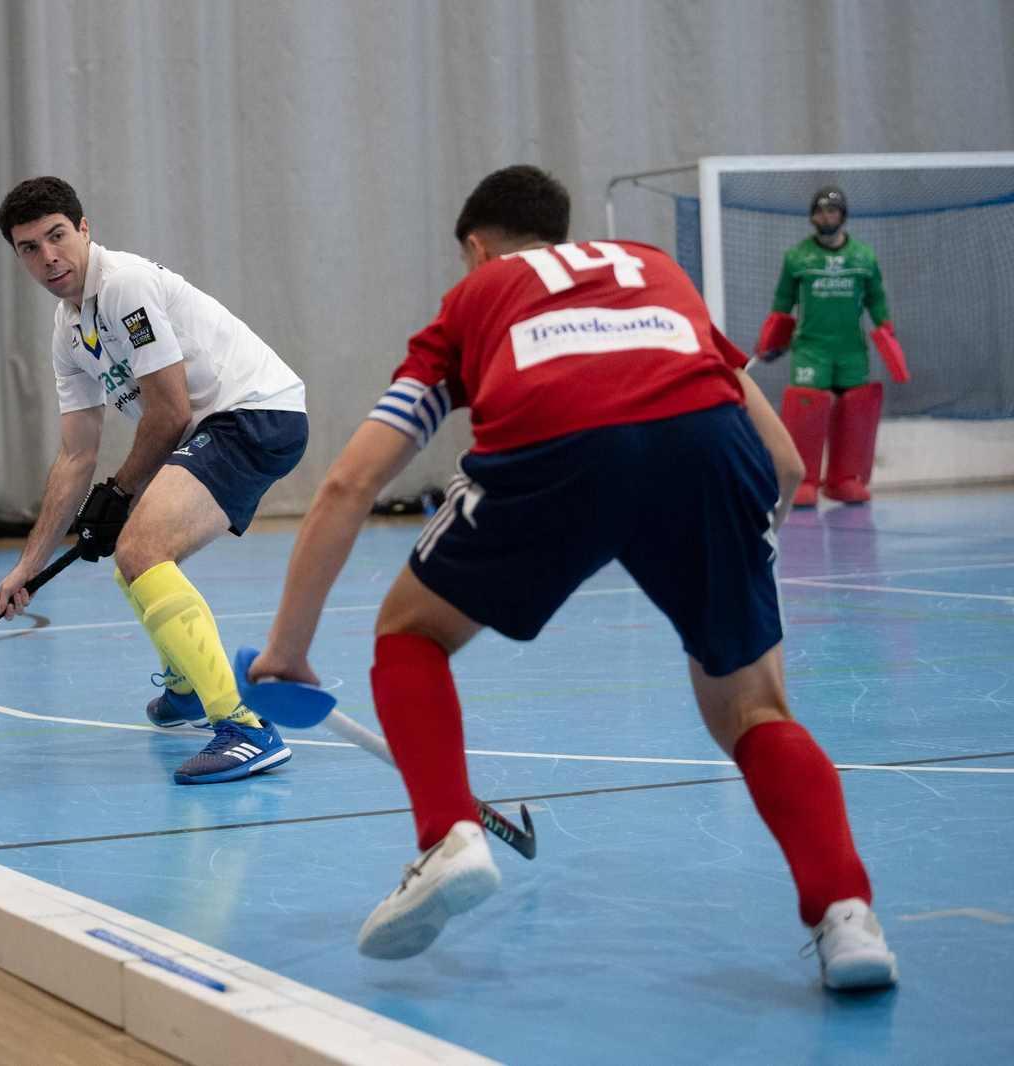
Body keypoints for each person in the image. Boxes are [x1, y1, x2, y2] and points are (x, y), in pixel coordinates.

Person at [247, 165, 899, 990]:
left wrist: (288, 650)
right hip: (706, 453)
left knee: (411, 631)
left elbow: (349, 483)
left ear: (478, 249)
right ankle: (848, 919)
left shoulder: (474, 301)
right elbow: (786, 461)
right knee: (754, 709)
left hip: (557, 446)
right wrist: (741, 549)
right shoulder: (653, 270)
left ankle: (448, 836)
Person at [0, 176, 309, 784]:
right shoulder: (68, 331)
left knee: (140, 545)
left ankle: (244, 727)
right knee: (132, 557)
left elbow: (170, 413)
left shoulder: (124, 287)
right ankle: (187, 688)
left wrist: (119, 492)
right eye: (29, 247)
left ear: (83, 230)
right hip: (217, 426)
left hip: (257, 415)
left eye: (57, 236)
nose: (47, 256)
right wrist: (27, 564)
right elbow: (75, 455)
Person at [755, 185, 907, 506]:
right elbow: (782, 301)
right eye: (821, 210)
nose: (827, 216)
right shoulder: (797, 257)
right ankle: (803, 481)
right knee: (807, 409)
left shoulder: (863, 256)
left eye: (833, 210)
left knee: (856, 410)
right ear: (812, 215)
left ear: (843, 215)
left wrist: (885, 324)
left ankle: (845, 479)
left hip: (851, 350)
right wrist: (774, 333)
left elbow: (876, 296)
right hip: (811, 348)